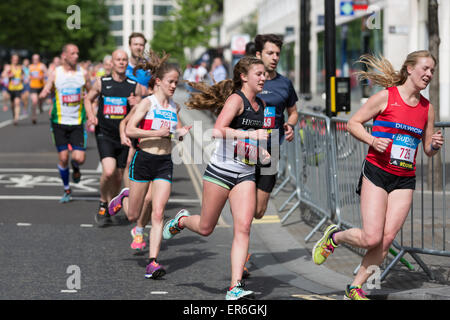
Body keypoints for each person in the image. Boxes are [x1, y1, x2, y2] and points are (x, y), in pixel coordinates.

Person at [312, 51, 444, 300]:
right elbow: (353, 124)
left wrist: (434, 145)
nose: (428, 75)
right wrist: (373, 140)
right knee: (372, 236)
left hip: (404, 178)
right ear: (409, 69)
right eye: (425, 69)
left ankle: (355, 287)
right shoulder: (386, 97)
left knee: (386, 239)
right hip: (377, 173)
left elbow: (427, 150)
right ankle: (335, 237)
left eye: (432, 71)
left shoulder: (427, 109)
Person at [162, 56, 270, 300]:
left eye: (264, 74)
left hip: (245, 174)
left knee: (243, 228)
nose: (263, 78)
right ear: (244, 77)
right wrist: (253, 135)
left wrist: (258, 151)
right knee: (205, 228)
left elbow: (242, 142)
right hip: (220, 172)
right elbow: (218, 130)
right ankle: (181, 221)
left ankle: (235, 287)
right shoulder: (236, 100)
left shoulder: (261, 105)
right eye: (259, 74)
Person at [111, 49, 191, 278]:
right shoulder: (148, 103)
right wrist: (155, 132)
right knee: (132, 215)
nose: (174, 86)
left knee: (157, 214)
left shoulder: (174, 107)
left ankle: (153, 262)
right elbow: (130, 129)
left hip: (164, 163)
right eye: (171, 82)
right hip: (143, 159)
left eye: (177, 82)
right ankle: (124, 196)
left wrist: (180, 133)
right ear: (158, 81)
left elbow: (172, 134)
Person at [85, 49, 144, 227]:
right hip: (105, 133)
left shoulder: (134, 86)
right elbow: (88, 99)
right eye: (118, 59)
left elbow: (142, 109)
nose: (121, 62)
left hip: (125, 135)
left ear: (127, 63)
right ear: (111, 62)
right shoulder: (102, 82)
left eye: (124, 60)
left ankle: (113, 202)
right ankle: (103, 203)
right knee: (109, 171)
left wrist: (137, 103)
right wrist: (90, 115)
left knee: (119, 176)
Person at [39, 43, 91, 203]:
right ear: (64, 56)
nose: (76, 56)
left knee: (79, 158)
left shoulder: (83, 73)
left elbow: (91, 92)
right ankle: (67, 189)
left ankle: (75, 167)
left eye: (77, 53)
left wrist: (90, 105)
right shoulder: (56, 73)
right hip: (59, 121)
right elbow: (47, 87)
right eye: (73, 53)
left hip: (77, 122)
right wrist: (44, 93)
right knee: (63, 158)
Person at [5, 54, 24, 125]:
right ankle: (14, 115)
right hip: (11, 88)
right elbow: (3, 75)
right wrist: (9, 75)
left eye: (17, 59)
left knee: (17, 102)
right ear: (11, 59)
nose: (15, 60)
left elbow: (23, 75)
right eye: (14, 59)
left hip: (18, 88)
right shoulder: (9, 67)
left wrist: (22, 78)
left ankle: (16, 118)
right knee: (12, 105)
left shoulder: (20, 67)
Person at [29, 54, 48, 123]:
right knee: (34, 101)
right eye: (34, 59)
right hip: (33, 86)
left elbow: (47, 73)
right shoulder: (30, 67)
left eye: (37, 59)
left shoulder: (42, 66)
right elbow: (26, 76)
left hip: (41, 86)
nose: (35, 61)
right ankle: (34, 116)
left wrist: (43, 76)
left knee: (40, 100)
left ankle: (40, 106)